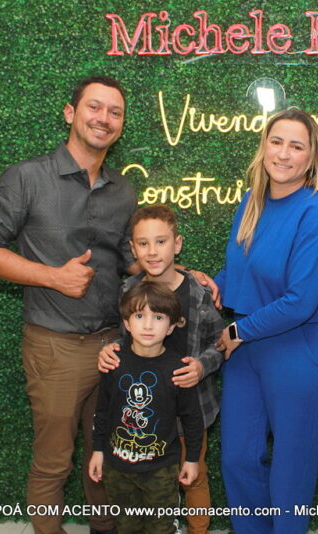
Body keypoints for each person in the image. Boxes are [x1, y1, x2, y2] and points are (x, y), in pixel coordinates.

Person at [0, 76, 134, 534]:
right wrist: (53, 277)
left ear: (121, 124)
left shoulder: (122, 189)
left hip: (113, 346)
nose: (104, 118)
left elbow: (127, 259)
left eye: (115, 112)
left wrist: (180, 274)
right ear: (70, 113)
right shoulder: (26, 177)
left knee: (109, 456)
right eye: (94, 107)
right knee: (53, 462)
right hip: (55, 348)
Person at [214, 108, 318, 534]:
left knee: (291, 468)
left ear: (312, 158)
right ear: (264, 147)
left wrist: (239, 330)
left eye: (296, 146)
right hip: (247, 352)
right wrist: (208, 285)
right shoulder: (250, 202)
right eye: (276, 142)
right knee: (238, 459)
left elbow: (300, 301)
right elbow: (239, 271)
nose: (284, 154)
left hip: (298, 353)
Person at [97, 204, 224, 534]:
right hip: (143, 414)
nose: (152, 251)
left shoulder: (197, 292)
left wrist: (202, 365)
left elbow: (221, 343)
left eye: (161, 241)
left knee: (192, 475)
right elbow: (124, 338)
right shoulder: (129, 290)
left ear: (177, 244)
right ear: (133, 248)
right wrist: (109, 349)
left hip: (189, 408)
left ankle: (197, 529)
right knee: (144, 483)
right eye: (143, 243)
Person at [89, 280, 203, 534]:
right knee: (126, 526)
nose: (148, 325)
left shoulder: (179, 369)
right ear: (127, 323)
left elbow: (192, 418)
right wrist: (98, 450)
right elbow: (102, 411)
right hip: (117, 468)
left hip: (161, 469)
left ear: (171, 326)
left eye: (158, 317)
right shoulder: (113, 362)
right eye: (140, 316)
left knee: (161, 528)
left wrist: (192, 459)